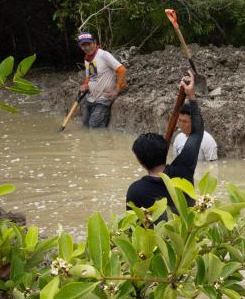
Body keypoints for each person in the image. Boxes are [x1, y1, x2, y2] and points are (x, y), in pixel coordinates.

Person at [126, 71, 203, 216]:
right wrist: (191, 95)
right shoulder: (183, 170)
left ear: (140, 161)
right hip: (189, 235)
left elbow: (132, 229)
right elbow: (197, 132)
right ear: (164, 150)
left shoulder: (135, 190)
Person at [77, 31, 126, 128]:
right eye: (83, 45)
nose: (86, 47)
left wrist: (117, 89)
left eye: (89, 44)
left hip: (103, 99)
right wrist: (85, 84)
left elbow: (122, 70)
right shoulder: (87, 59)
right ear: (80, 46)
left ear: (94, 43)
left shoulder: (103, 55)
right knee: (85, 126)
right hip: (90, 98)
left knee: (94, 127)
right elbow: (89, 76)